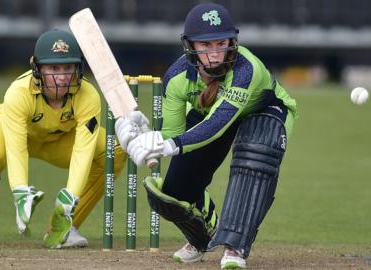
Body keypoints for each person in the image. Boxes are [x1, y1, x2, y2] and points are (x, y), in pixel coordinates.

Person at [116, 3, 298, 269]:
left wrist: (169, 144)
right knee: (173, 192)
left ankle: (236, 247)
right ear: (190, 46)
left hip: (265, 111)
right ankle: (202, 237)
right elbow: (174, 134)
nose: (215, 54)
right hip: (214, 114)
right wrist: (147, 136)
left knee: (253, 159)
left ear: (232, 41)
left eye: (221, 43)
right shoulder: (177, 79)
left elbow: (217, 123)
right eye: (206, 46)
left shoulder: (246, 70)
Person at [0, 29, 126, 248]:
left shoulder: (89, 95)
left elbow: (83, 149)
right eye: (54, 68)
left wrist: (70, 196)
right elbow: (16, 148)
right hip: (14, 133)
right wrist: (20, 191)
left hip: (59, 141)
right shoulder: (18, 92)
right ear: (37, 68)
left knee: (113, 150)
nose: (63, 75)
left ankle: (64, 226)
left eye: (68, 67)